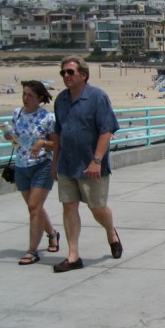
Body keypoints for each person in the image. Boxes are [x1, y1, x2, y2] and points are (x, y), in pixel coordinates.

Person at [51, 57, 122, 273]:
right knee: (69, 206)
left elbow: (107, 130)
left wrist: (96, 160)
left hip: (91, 164)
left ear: (83, 74)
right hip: (66, 163)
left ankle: (111, 232)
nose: (66, 76)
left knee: (97, 208)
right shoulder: (61, 100)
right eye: (63, 73)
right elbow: (58, 132)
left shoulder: (97, 97)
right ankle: (73, 256)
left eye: (70, 72)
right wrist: (55, 162)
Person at [8, 80, 60, 265]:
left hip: (42, 166)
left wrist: (43, 143)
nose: (26, 98)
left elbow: (56, 145)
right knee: (34, 208)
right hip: (21, 166)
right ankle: (53, 234)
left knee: (33, 207)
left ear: (40, 97)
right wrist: (10, 136)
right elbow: (17, 141)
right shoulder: (17, 113)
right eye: (24, 94)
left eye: (30, 95)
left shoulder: (48, 118)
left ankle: (32, 250)